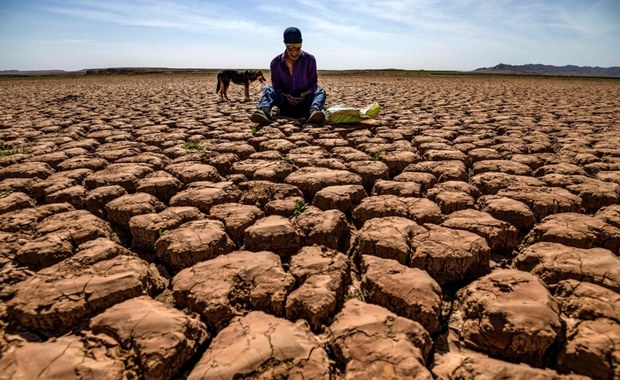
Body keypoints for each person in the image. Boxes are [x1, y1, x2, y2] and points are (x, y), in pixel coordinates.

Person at [250, 27, 326, 125]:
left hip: (305, 103)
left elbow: (313, 85)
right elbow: (276, 87)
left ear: (301, 44)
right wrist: (286, 96)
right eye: (291, 48)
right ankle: (264, 112)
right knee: (267, 89)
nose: (295, 53)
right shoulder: (275, 63)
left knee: (320, 91)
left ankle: (314, 113)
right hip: (284, 103)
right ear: (285, 44)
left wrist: (304, 94)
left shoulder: (310, 60)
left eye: (298, 48)